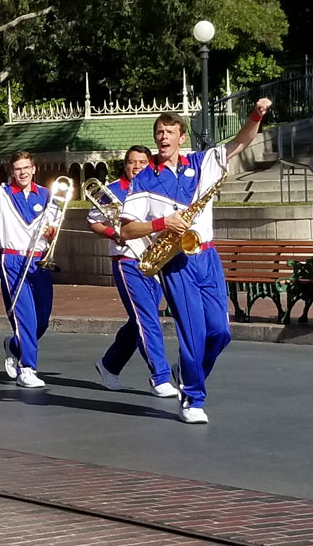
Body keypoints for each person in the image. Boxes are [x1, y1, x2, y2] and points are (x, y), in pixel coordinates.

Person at [120, 100, 272, 424]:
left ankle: (187, 373)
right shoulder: (143, 179)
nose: (163, 137)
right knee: (192, 332)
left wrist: (256, 115)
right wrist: (162, 223)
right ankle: (192, 398)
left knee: (220, 332)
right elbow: (127, 228)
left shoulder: (203, 162)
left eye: (170, 132)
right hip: (176, 262)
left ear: (182, 137)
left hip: (207, 256)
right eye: (159, 132)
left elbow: (241, 141)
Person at [0, 133, 66, 388]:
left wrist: (51, 232)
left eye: (26, 168)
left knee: (42, 319)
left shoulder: (48, 195)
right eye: (17, 169)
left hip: (38, 262)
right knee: (26, 316)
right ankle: (28, 368)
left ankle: (13, 345)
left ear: (34, 169)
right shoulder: (2, 193)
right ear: (11, 171)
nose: (22, 173)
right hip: (12, 261)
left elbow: (53, 226)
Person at [89, 146, 176, 397]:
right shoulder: (113, 189)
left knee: (139, 318)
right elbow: (93, 220)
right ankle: (160, 375)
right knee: (147, 318)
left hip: (155, 259)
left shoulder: (156, 184)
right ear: (125, 165)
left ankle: (110, 364)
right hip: (126, 259)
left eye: (141, 162)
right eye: (131, 162)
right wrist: (114, 233)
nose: (136, 166)